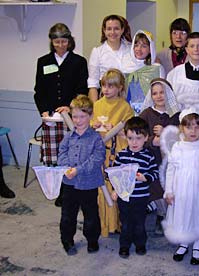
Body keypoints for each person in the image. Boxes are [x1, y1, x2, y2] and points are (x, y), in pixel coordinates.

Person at [34, 23, 88, 207]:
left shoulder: (79, 62)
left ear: (69, 41)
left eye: (64, 41)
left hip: (72, 116)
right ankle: (58, 189)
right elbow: (38, 91)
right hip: (50, 118)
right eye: (56, 42)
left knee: (71, 154)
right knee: (55, 156)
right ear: (52, 42)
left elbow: (82, 90)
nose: (60, 45)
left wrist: (70, 107)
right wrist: (43, 109)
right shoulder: (43, 62)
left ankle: (69, 190)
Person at [161, 109, 199, 265]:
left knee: (197, 215)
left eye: (197, 127)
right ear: (182, 128)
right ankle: (184, 243)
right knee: (183, 215)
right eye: (189, 127)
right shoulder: (177, 147)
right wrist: (169, 191)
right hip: (181, 189)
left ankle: (197, 246)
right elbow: (171, 170)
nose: (193, 131)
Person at [57, 95, 106, 255]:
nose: (78, 120)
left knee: (91, 214)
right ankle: (67, 240)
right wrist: (67, 167)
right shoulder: (68, 137)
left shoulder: (96, 138)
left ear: (90, 116)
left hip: (88, 183)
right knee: (67, 215)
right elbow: (61, 153)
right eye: (75, 116)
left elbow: (97, 159)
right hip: (69, 183)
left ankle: (92, 240)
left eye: (82, 116)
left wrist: (78, 170)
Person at [92, 69, 134, 237]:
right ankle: (104, 224)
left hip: (117, 154)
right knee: (101, 190)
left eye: (111, 86)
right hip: (100, 153)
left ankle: (117, 223)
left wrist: (116, 129)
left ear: (120, 87)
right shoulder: (97, 104)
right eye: (103, 85)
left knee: (116, 189)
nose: (106, 89)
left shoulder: (125, 107)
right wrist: (93, 124)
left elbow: (130, 131)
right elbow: (88, 124)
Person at [111, 117, 159, 258]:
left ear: (146, 138)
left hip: (140, 197)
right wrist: (115, 190)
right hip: (124, 197)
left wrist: (145, 177)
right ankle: (124, 245)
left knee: (139, 223)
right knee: (125, 223)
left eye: (138, 138)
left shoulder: (148, 156)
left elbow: (155, 173)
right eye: (130, 138)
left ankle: (140, 244)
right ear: (126, 137)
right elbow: (115, 174)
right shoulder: (121, 155)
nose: (134, 142)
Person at [139, 78, 180, 235]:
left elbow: (182, 135)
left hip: (171, 159)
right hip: (152, 158)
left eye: (162, 92)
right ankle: (160, 214)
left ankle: (172, 215)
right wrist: (151, 141)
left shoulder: (176, 114)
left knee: (170, 185)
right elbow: (137, 133)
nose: (158, 96)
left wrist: (166, 134)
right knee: (156, 185)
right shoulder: (147, 114)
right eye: (154, 93)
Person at [87, 15, 135, 102]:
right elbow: (93, 84)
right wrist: (94, 109)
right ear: (104, 31)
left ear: (122, 30)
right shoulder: (97, 52)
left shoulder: (132, 49)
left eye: (116, 28)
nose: (112, 32)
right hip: (107, 100)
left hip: (130, 99)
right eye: (109, 29)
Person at [126, 30, 165, 115]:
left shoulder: (157, 68)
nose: (139, 49)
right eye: (136, 45)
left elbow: (162, 92)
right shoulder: (126, 67)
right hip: (128, 113)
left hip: (150, 113)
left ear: (150, 49)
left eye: (144, 46)